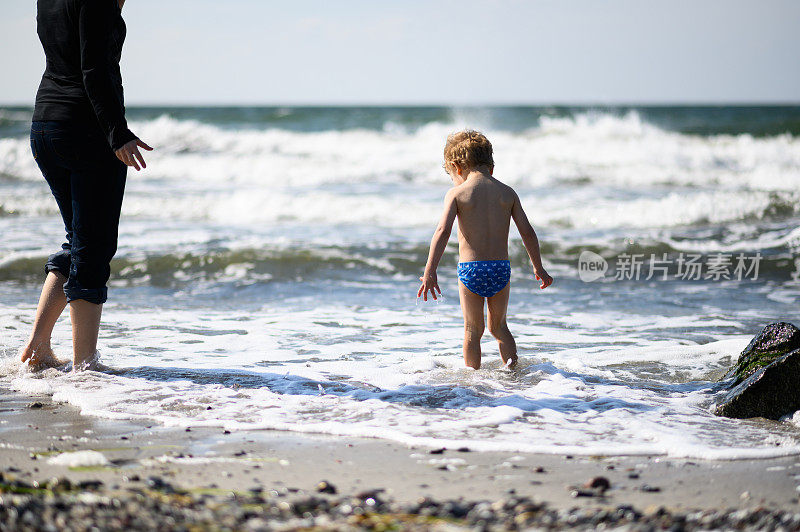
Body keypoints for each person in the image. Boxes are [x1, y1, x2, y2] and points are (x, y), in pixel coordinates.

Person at [20, 0, 152, 371]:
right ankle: (86, 368)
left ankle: (38, 348)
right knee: (92, 250)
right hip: (86, 131)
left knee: (79, 242)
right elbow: (94, 67)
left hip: (45, 126)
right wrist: (117, 133)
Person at [417, 130, 553, 370]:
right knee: (499, 327)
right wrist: (538, 267)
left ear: (457, 167)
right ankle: (512, 372)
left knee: (472, 330)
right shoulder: (507, 193)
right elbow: (528, 232)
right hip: (500, 269)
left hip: (471, 270)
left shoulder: (457, 193)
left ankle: (473, 382)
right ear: (491, 166)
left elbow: (442, 232)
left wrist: (430, 270)